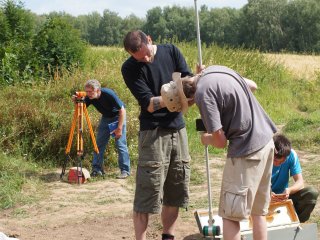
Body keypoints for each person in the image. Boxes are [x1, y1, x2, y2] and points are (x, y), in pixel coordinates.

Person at [161, 65, 277, 240]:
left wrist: (206, 138)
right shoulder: (214, 70)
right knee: (258, 212)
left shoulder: (202, 95)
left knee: (230, 216)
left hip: (247, 151)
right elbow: (252, 85)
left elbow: (220, 142)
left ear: (188, 100)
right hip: (267, 141)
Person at [121, 30, 193, 240]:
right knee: (147, 192)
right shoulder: (129, 68)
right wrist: (172, 95)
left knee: (175, 189)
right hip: (153, 133)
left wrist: (195, 81)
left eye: (145, 54)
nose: (144, 59)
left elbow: (187, 80)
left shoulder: (171, 51)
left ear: (149, 40)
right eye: (138, 57)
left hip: (178, 129)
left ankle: (168, 236)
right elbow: (148, 104)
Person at [74, 79, 131, 179]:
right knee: (99, 144)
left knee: (120, 144)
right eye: (86, 92)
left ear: (98, 90)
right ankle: (97, 169)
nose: (88, 94)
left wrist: (119, 128)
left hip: (117, 117)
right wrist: (77, 102)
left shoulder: (109, 94)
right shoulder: (89, 97)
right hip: (106, 118)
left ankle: (125, 171)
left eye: (90, 92)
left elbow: (122, 110)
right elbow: (82, 109)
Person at [271, 133, 319, 222]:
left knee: (311, 193)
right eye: (275, 161)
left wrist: (289, 190)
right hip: (262, 199)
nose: (278, 164)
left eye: (282, 162)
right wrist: (266, 194)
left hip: (283, 197)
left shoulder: (292, 155)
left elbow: (300, 182)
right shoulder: (261, 157)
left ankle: (297, 223)